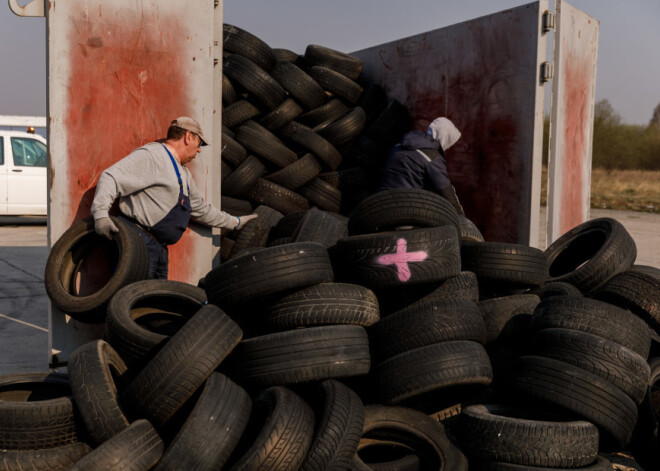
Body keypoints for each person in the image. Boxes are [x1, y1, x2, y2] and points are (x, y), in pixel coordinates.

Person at [91, 116, 257, 279]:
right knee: (130, 299)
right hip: (137, 241)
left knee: (155, 303)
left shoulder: (183, 173)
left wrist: (234, 222)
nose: (199, 150)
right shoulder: (153, 155)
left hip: (159, 249)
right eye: (199, 143)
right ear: (188, 137)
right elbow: (111, 177)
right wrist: (100, 215)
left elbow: (199, 208)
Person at [379, 116, 465, 215]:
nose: (448, 148)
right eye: (449, 142)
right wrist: (462, 220)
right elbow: (446, 192)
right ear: (445, 138)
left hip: (380, 205)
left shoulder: (400, 144)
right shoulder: (432, 156)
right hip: (403, 211)